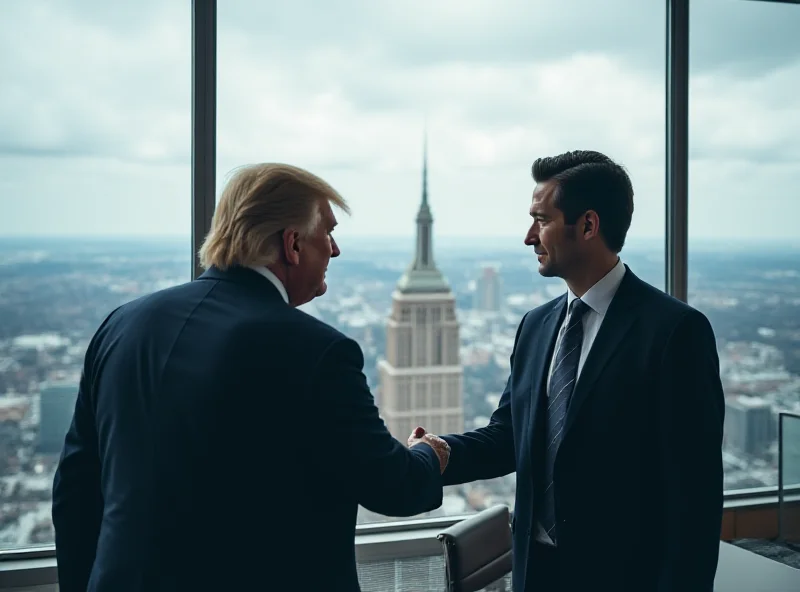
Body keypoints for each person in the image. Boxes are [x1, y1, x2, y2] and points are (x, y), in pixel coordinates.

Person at [52, 163, 451, 592]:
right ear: (292, 244)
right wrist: (431, 454)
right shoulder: (317, 351)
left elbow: (75, 491)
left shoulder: (123, 325)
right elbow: (393, 487)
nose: (334, 250)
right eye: (328, 233)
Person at [409, 150, 725, 592]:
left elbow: (694, 499)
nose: (528, 236)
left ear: (589, 225)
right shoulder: (536, 326)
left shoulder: (674, 333)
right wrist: (441, 452)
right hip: (535, 573)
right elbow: (511, 436)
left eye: (541, 220)